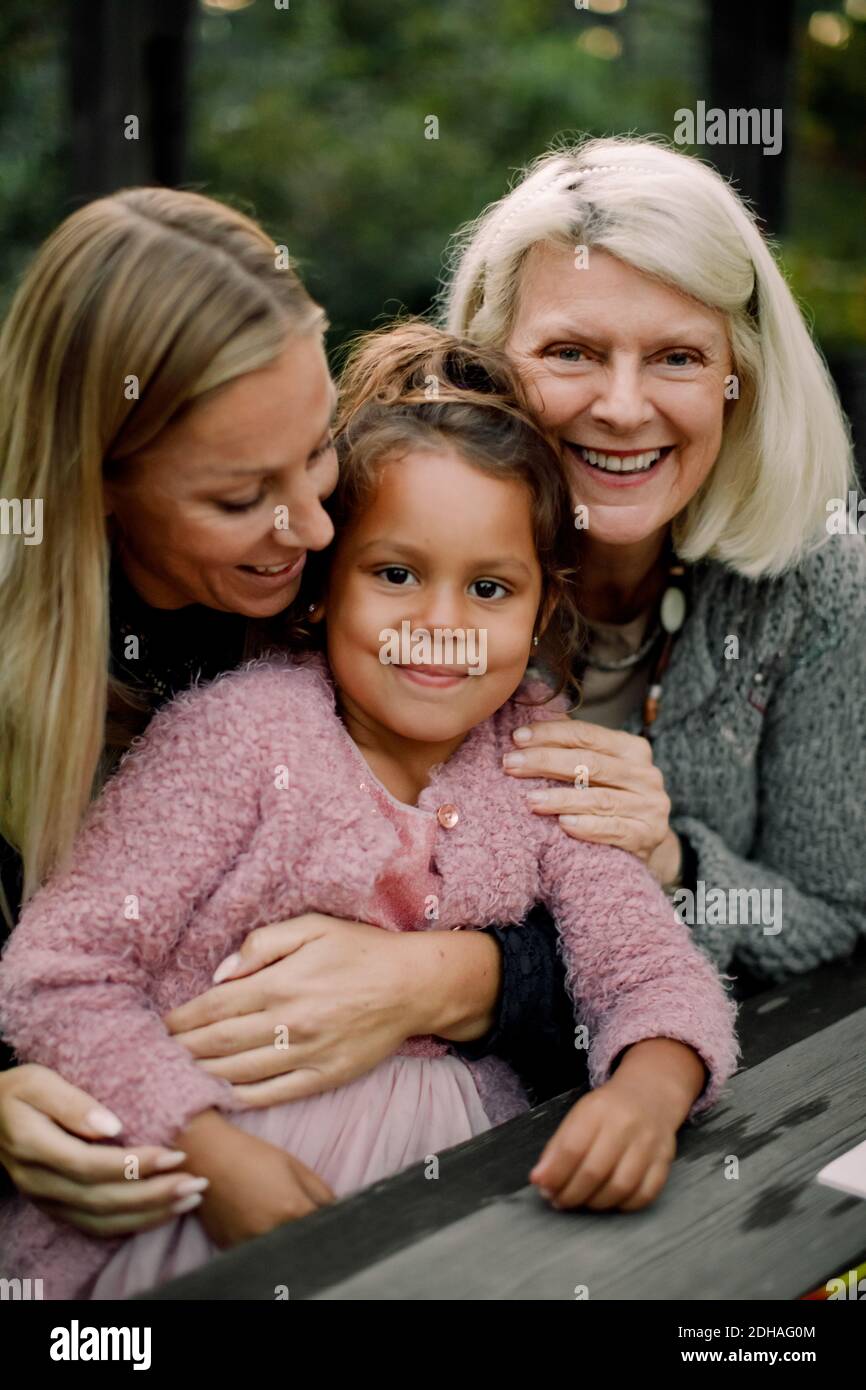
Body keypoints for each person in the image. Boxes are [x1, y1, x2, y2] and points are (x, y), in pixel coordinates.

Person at [0, 323, 738, 1298]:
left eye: (487, 587)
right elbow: (57, 975)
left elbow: (650, 972)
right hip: (199, 1213)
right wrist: (210, 1154)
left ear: (539, 613)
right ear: (321, 591)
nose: (440, 626)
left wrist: (648, 1090)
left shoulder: (538, 765)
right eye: (395, 573)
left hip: (452, 1218)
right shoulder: (234, 742)